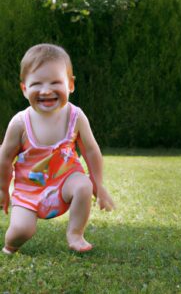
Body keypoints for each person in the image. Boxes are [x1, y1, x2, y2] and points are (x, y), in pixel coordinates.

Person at [0, 43, 115, 254]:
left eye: (55, 82)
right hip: (29, 189)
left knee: (83, 185)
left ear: (70, 85)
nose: (46, 90)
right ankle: (10, 246)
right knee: (21, 231)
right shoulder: (20, 123)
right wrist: (2, 188)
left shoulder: (76, 116)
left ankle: (75, 233)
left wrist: (98, 185)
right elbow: (5, 158)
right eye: (36, 84)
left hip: (64, 181)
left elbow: (90, 150)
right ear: (24, 89)